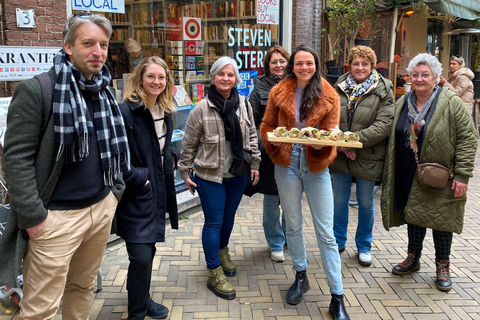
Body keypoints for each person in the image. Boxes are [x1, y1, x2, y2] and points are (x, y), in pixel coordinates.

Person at [0, 12, 130, 319]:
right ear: (68, 46)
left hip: (99, 210)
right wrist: (35, 219)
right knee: (40, 308)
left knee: (83, 288)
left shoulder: (102, 89)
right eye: (88, 43)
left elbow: (110, 147)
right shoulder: (37, 90)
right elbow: (15, 158)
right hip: (55, 219)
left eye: (103, 44)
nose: (98, 52)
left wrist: (114, 194)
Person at [260, 45, 349, 319]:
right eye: (299, 63)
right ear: (292, 66)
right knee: (294, 225)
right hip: (286, 163)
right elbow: (266, 126)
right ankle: (301, 275)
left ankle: (337, 295)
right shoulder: (278, 92)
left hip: (315, 165)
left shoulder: (329, 93)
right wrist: (274, 145)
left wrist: (325, 144)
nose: (304, 68)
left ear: (316, 64)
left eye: (309, 63)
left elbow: (331, 132)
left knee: (326, 232)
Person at [381, 53, 477, 292]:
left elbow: (468, 138)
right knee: (415, 214)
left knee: (441, 219)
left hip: (441, 173)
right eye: (415, 74)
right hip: (408, 169)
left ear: (436, 77)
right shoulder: (403, 102)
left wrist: (463, 175)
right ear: (410, 77)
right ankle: (413, 258)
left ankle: (442, 266)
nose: (420, 79)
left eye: (425, 75)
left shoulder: (450, 102)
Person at [178, 57, 261, 300]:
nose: (226, 78)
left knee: (228, 218)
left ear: (236, 78)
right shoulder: (201, 108)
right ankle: (214, 270)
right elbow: (189, 145)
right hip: (209, 176)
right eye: (221, 74)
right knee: (213, 222)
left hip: (236, 174)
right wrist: (184, 172)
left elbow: (252, 137)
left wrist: (255, 162)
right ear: (213, 77)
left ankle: (222, 252)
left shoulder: (244, 104)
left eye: (230, 74)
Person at [116, 56, 179, 319]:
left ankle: (142, 299)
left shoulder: (164, 111)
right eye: (151, 76)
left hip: (157, 192)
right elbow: (115, 155)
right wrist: (138, 178)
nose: (157, 81)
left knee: (148, 252)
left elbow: (162, 146)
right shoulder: (126, 112)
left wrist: (172, 157)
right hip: (135, 195)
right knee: (140, 256)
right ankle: (137, 314)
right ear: (140, 78)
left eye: (161, 77)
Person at [330, 45, 394, 267]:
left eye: (364, 64)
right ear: (349, 65)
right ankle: (338, 241)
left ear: (372, 66)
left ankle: (364, 246)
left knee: (366, 203)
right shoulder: (337, 87)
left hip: (369, 154)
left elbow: (383, 125)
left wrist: (353, 141)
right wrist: (341, 144)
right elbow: (328, 119)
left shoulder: (384, 89)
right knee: (339, 201)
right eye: (356, 63)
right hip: (339, 154)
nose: (360, 67)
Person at [247, 45, 289, 262]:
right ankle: (275, 242)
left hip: (294, 154)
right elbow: (251, 122)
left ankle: (288, 236)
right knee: (272, 201)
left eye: (282, 61)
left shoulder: (298, 84)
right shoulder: (259, 89)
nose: (278, 65)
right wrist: (265, 144)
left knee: (291, 200)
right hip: (271, 155)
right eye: (274, 62)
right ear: (268, 65)